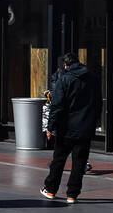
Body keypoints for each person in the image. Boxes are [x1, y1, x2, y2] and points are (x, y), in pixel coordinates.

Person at [39, 51, 102, 204]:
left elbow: (57, 105)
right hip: (85, 127)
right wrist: (94, 122)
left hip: (66, 127)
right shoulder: (93, 79)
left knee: (58, 160)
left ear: (66, 65)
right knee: (79, 162)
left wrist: (50, 126)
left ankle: (51, 189)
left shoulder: (64, 79)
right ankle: (72, 194)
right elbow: (98, 103)